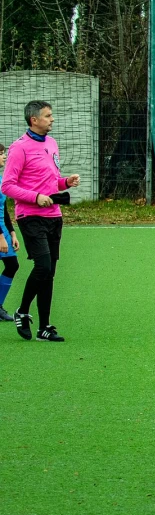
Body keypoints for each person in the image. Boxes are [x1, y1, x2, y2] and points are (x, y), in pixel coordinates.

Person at [5, 100, 81, 342]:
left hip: (53, 216)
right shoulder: (19, 148)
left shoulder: (51, 143)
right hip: (30, 217)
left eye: (51, 115)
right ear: (34, 120)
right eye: (48, 116)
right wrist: (35, 197)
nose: (52, 119)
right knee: (43, 266)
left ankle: (44, 328)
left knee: (49, 273)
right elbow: (7, 186)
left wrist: (65, 182)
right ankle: (22, 311)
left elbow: (50, 181)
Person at [0, 146, 19, 323]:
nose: (4, 156)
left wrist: (12, 233)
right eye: (0, 154)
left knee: (12, 265)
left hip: (3, 230)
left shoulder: (1, 179)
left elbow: (4, 209)